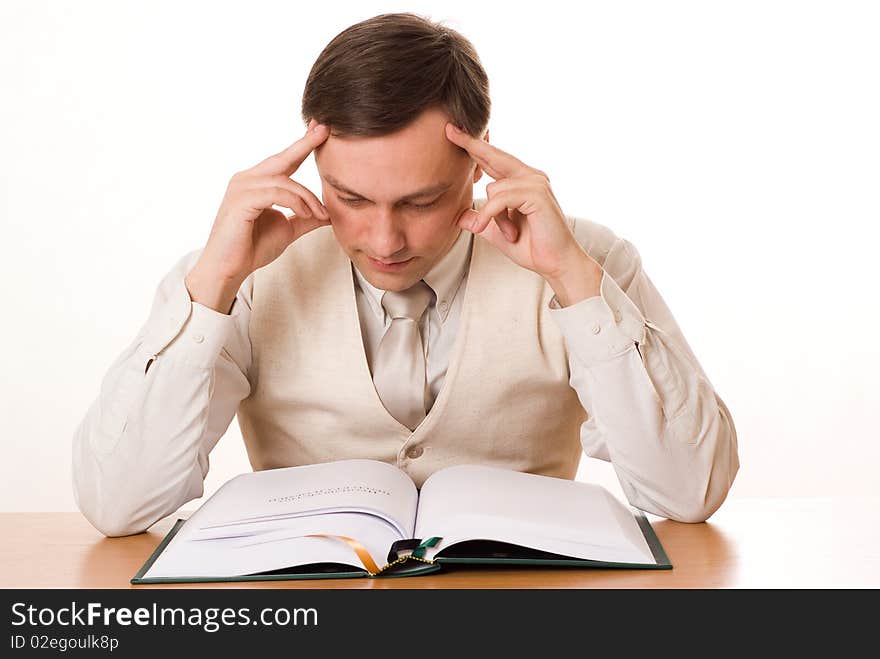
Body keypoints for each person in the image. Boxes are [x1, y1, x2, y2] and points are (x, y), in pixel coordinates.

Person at [72, 12, 739, 537]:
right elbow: (118, 504)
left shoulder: (581, 259)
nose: (384, 239)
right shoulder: (242, 272)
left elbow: (688, 493)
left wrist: (574, 281)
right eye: (352, 199)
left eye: (420, 202)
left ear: (478, 165)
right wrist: (211, 288)